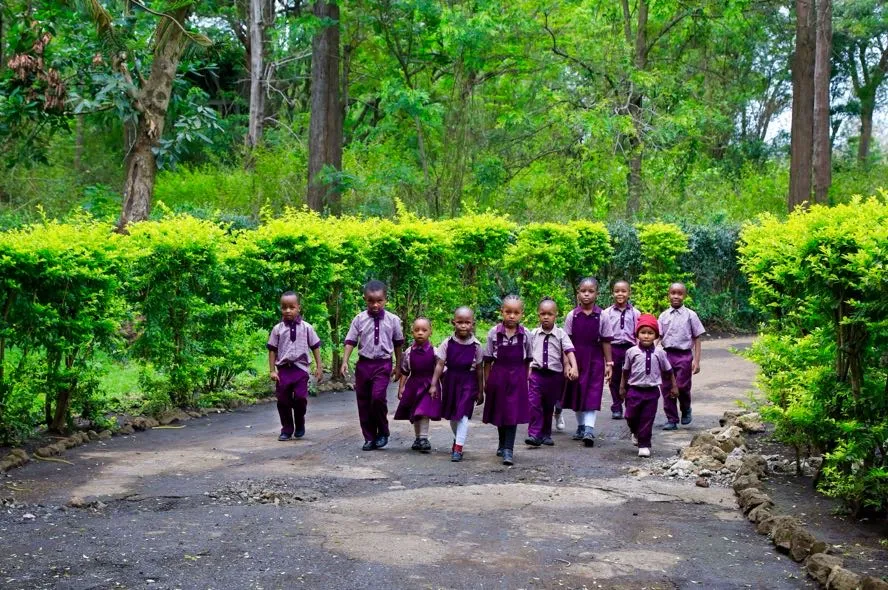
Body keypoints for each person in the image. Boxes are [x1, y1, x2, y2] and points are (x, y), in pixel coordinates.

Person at [340, 280, 405, 451]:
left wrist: (399, 366)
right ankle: (369, 437)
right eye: (371, 301)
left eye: (379, 301)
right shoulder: (359, 319)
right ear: (365, 299)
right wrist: (345, 361)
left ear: (386, 300)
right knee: (363, 401)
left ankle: (383, 431)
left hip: (383, 364)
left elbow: (398, 344)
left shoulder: (393, 320)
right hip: (364, 364)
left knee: (377, 398)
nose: (375, 305)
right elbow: (350, 341)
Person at [562, 277, 613, 447]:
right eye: (583, 291)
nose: (586, 294)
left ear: (597, 294)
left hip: (595, 360)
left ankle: (589, 430)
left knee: (592, 393)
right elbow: (566, 342)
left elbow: (606, 341)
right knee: (576, 393)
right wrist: (567, 364)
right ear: (578, 293)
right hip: (576, 359)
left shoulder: (602, 315)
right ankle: (581, 426)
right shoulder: (572, 315)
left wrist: (609, 364)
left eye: (591, 291)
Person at [429, 307, 484, 462]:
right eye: (460, 322)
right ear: (454, 322)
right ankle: (458, 438)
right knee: (453, 416)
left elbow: (479, 369)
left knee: (463, 413)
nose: (463, 326)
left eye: (467, 322)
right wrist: (433, 384)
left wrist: (481, 390)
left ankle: (458, 448)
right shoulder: (447, 343)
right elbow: (440, 364)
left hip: (469, 381)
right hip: (451, 381)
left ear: (473, 323)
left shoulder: (477, 346)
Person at [483, 295, 532, 466]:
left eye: (516, 313)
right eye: (508, 312)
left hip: (517, 378)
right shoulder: (493, 333)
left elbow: (528, 360)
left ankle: (508, 450)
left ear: (521, 314)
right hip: (498, 377)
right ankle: (502, 442)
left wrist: (525, 379)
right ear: (501, 312)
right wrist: (487, 382)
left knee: (512, 413)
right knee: (501, 411)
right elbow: (487, 360)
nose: (512, 316)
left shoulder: (526, 334)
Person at [267, 291, 323, 441]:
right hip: (284, 370)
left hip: (301, 369)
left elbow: (315, 347)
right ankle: (286, 429)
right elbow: (272, 350)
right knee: (283, 401)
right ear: (281, 308)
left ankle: (300, 422)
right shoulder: (277, 329)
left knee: (300, 399)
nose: (288, 311)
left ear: (298, 307)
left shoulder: (306, 328)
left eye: (291, 307)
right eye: (284, 307)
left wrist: (319, 367)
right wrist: (272, 370)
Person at [620, 313, 677, 457]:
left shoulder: (660, 353)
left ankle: (644, 445)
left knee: (647, 418)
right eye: (643, 332)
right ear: (637, 334)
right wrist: (622, 387)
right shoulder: (631, 352)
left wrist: (674, 386)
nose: (646, 336)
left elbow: (669, 371)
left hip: (652, 391)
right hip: (634, 390)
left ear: (656, 335)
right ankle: (635, 432)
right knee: (630, 416)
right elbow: (625, 371)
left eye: (650, 333)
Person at [526, 297, 578, 447]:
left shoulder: (561, 334)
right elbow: (527, 353)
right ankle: (534, 434)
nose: (546, 317)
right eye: (543, 314)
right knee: (534, 404)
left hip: (554, 376)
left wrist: (574, 366)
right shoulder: (533, 334)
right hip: (537, 374)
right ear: (538, 315)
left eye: (550, 314)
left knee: (549, 406)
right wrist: (527, 370)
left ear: (556, 315)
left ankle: (546, 434)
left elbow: (569, 350)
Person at [657, 282, 705, 430]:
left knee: (682, 386)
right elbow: (658, 336)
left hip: (684, 356)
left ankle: (686, 408)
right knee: (667, 388)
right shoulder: (663, 316)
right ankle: (672, 419)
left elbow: (697, 338)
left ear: (685, 296)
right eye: (673, 293)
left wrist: (696, 361)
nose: (676, 296)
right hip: (666, 355)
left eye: (679, 293)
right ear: (668, 295)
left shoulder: (691, 315)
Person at [395, 318, 442, 452]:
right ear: (412, 332)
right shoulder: (409, 352)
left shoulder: (435, 352)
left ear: (430, 332)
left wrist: (442, 387)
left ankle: (424, 438)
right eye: (417, 330)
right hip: (414, 385)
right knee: (415, 412)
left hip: (429, 385)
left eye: (424, 330)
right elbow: (405, 371)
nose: (420, 333)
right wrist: (401, 387)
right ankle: (417, 438)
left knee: (424, 411)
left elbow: (441, 370)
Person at [600, 280, 640, 420]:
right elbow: (603, 334)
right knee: (614, 378)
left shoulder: (635, 313)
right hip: (613, 348)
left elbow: (638, 333)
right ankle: (617, 406)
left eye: (623, 291)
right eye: (617, 291)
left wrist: (639, 350)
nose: (620, 294)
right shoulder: (606, 313)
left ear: (629, 293)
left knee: (631, 377)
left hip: (630, 348)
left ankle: (630, 405)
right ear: (613, 293)